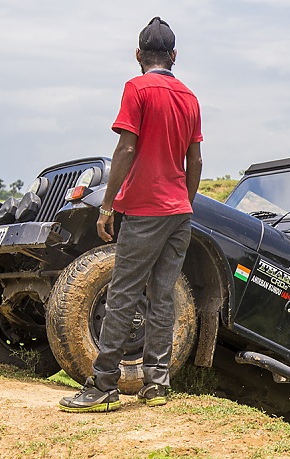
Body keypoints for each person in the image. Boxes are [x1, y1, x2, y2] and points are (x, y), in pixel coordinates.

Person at [59, 16, 203, 413]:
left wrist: (107, 205)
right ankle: (156, 382)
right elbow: (196, 159)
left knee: (122, 293)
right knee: (162, 296)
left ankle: (104, 384)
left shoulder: (136, 88)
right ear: (174, 56)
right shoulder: (190, 98)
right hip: (179, 212)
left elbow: (125, 149)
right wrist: (184, 203)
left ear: (139, 55)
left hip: (145, 209)